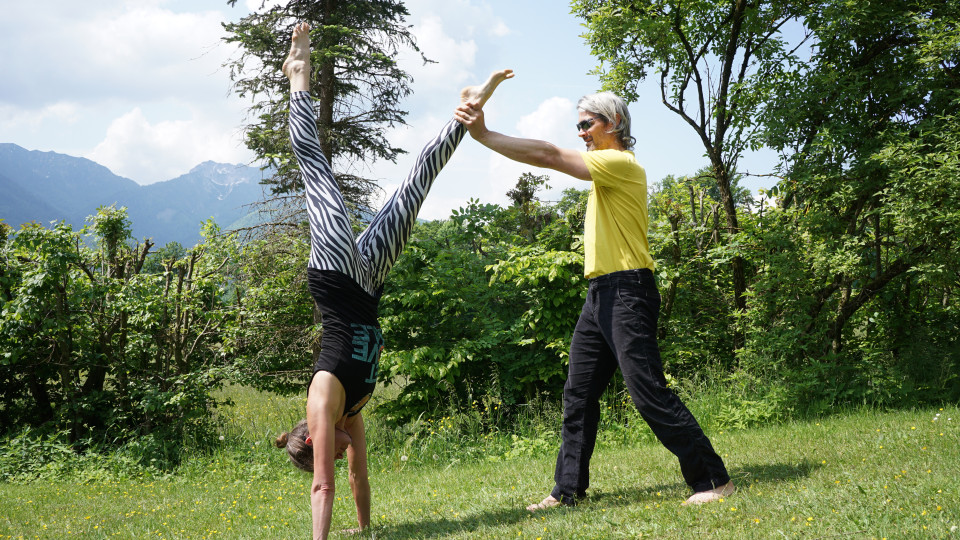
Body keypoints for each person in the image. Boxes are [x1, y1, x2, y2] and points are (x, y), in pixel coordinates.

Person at [275, 22, 512, 539]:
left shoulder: (323, 407)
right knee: (416, 184)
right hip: (370, 282)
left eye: (329, 455)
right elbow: (358, 471)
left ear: (314, 442)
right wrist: (364, 531)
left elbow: (324, 487)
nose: (342, 455)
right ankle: (465, 109)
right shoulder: (350, 413)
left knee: (315, 168)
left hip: (336, 277)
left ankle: (298, 78)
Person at [454, 83, 735, 510]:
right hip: (600, 293)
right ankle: (566, 491)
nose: (581, 132)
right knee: (578, 394)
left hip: (628, 290)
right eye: (579, 126)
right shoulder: (606, 170)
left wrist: (485, 135)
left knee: (647, 391)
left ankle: (714, 479)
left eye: (587, 124)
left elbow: (549, 155)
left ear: (614, 123)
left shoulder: (621, 164)